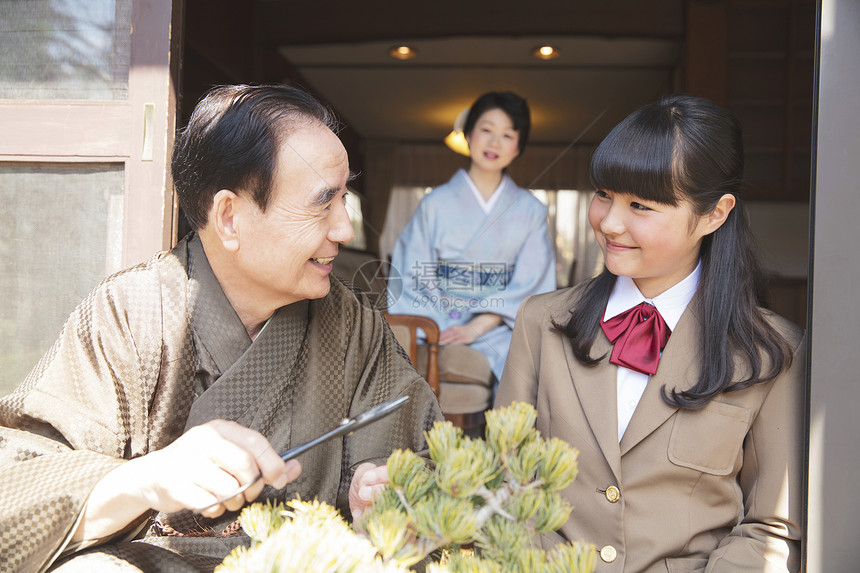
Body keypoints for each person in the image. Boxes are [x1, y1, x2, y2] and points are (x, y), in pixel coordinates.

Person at [0, 84, 443, 572]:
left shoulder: (352, 325)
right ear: (229, 217)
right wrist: (144, 479)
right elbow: (22, 487)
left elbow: (419, 458)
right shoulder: (132, 313)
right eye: (323, 203)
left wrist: (379, 489)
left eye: (344, 198)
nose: (344, 229)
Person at [495, 94, 805, 572]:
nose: (609, 223)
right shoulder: (541, 322)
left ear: (713, 214)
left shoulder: (772, 351)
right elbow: (505, 486)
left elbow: (771, 529)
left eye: (640, 205)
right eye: (603, 195)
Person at [388, 91, 556, 383]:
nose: (494, 143)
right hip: (439, 319)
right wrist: (444, 324)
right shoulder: (435, 203)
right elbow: (411, 270)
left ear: (518, 147)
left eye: (507, 135)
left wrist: (479, 326)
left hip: (502, 327)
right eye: (486, 130)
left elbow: (533, 285)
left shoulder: (531, 211)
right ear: (468, 135)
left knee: (532, 373)